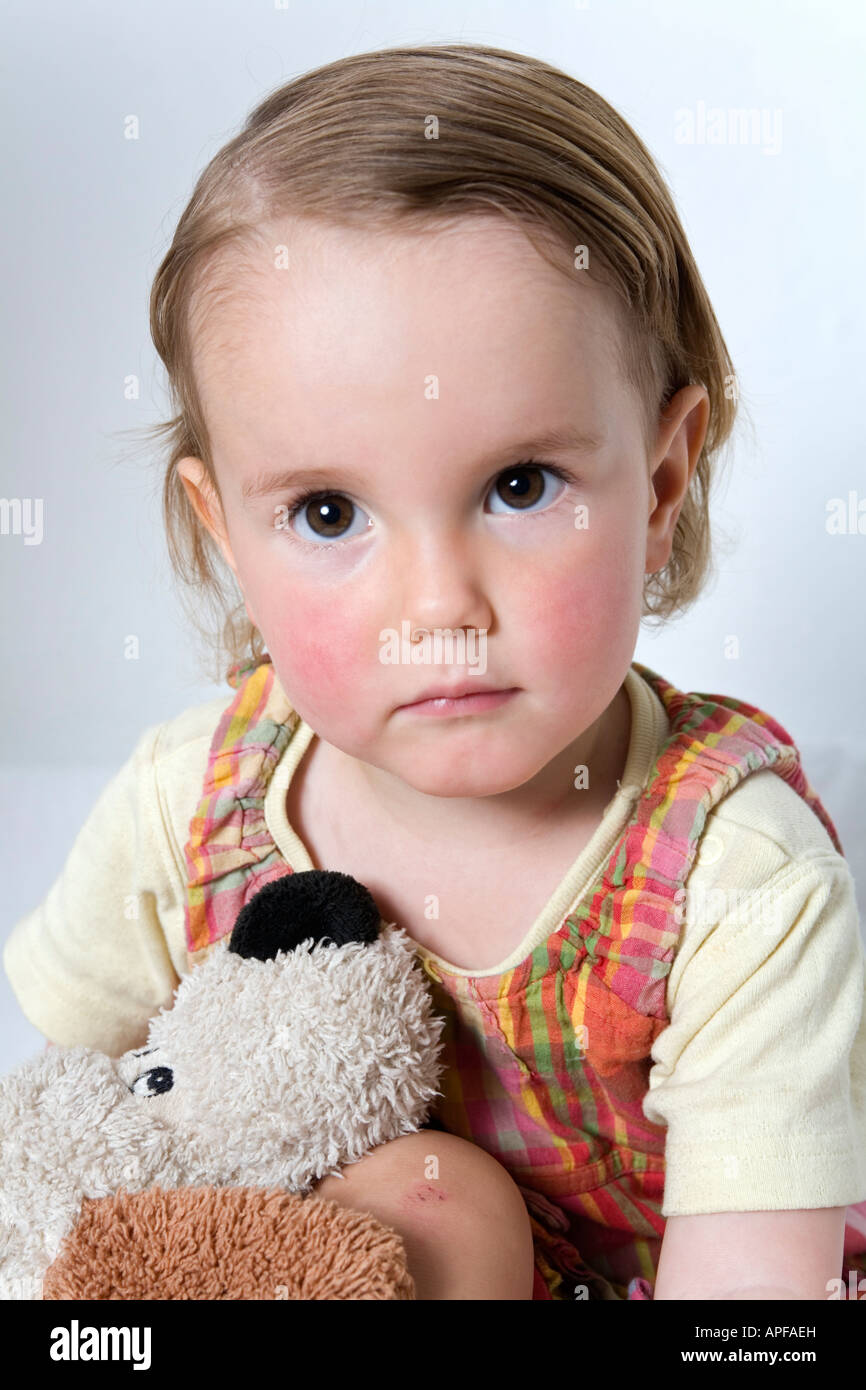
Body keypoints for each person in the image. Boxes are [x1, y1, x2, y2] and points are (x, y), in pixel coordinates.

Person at [5, 43, 866, 1302]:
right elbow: (67, 1152)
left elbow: (747, 1312)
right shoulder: (186, 808)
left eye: (519, 486)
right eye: (326, 512)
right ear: (222, 535)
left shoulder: (733, 885)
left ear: (662, 482)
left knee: (438, 1203)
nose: (435, 606)